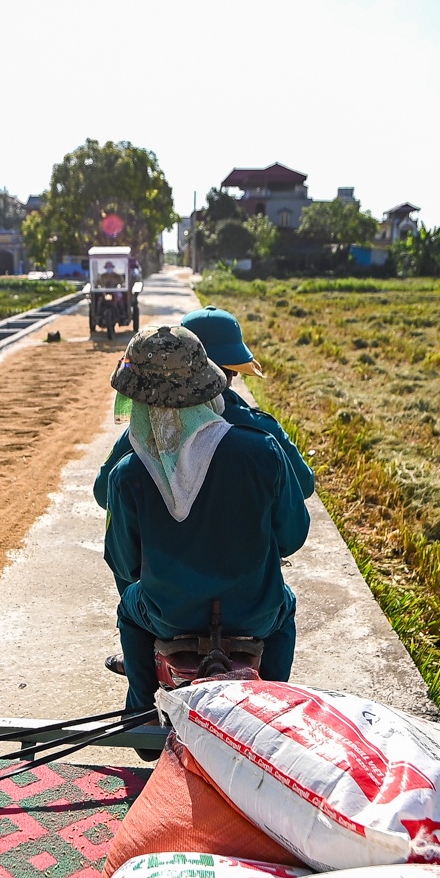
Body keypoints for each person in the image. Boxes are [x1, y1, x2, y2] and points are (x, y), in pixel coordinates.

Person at [101, 326, 310, 714]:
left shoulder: (127, 474)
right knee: (285, 608)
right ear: (207, 388)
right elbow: (293, 537)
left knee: (130, 608)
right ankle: (275, 707)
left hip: (168, 617)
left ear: (138, 401)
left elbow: (124, 563)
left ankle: (141, 709)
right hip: (256, 613)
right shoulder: (263, 451)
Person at [92, 305, 313, 507]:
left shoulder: (146, 432)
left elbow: (103, 494)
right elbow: (304, 485)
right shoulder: (264, 431)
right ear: (234, 370)